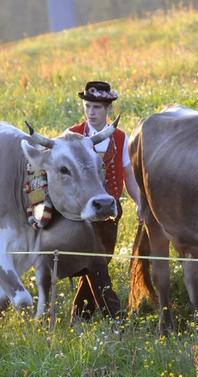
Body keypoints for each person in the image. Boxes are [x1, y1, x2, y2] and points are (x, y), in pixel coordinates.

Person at [65, 81, 143, 320]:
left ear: (108, 109)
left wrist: (141, 203)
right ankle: (115, 316)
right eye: (88, 106)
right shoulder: (72, 135)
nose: (91, 112)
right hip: (81, 210)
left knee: (99, 262)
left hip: (110, 210)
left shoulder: (120, 138)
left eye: (97, 107)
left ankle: (80, 316)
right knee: (95, 261)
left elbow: (128, 175)